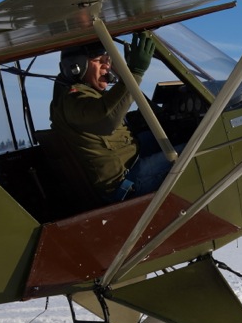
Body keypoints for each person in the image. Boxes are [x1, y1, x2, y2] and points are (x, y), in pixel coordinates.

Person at [50, 32, 173, 201]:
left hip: (132, 158)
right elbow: (106, 119)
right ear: (76, 66)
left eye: (108, 60)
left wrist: (123, 72)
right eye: (99, 60)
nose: (107, 66)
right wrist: (134, 73)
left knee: (174, 135)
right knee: (196, 151)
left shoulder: (84, 93)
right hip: (126, 181)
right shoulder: (74, 100)